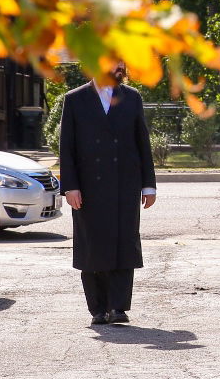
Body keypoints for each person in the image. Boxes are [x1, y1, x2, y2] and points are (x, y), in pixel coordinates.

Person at [59, 60, 157, 326]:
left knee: (124, 244)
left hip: (125, 184)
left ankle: (119, 307)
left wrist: (149, 184)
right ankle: (98, 309)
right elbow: (66, 146)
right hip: (88, 187)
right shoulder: (75, 99)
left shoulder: (132, 98)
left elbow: (142, 142)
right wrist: (70, 186)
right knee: (92, 246)